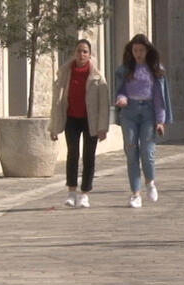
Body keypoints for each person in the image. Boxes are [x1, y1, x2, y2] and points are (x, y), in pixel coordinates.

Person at [49, 39, 110, 209]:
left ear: (90, 55)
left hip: (90, 120)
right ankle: (71, 192)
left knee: (89, 156)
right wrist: (54, 127)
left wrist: (103, 128)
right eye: (79, 51)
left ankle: (85, 194)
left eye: (85, 51)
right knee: (72, 154)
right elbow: (57, 102)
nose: (81, 54)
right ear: (74, 53)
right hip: (72, 118)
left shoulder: (97, 77)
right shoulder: (65, 73)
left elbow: (104, 104)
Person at [114, 34, 173, 209]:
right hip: (129, 112)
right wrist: (122, 98)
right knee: (131, 151)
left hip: (148, 112)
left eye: (141, 50)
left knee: (147, 151)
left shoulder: (156, 70)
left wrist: (160, 120)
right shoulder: (125, 70)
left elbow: (159, 97)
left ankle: (150, 182)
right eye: (135, 50)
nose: (138, 54)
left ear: (147, 51)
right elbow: (120, 90)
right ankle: (135, 194)